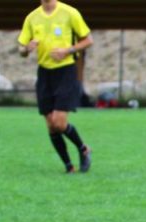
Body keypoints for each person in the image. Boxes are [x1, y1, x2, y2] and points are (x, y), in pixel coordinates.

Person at [17, 0, 94, 173]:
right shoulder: (32, 17)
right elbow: (21, 49)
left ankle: (83, 149)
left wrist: (67, 50)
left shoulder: (69, 12)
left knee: (59, 122)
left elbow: (88, 40)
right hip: (44, 73)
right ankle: (69, 166)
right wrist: (26, 49)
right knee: (50, 124)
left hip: (65, 71)